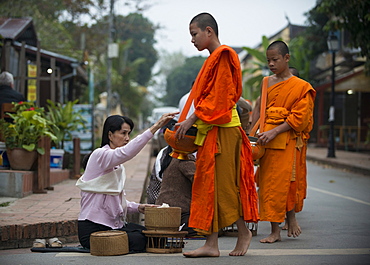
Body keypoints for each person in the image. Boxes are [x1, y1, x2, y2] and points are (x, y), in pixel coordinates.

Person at [175, 12, 259, 257]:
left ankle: (244, 232)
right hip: (211, 129)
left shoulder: (224, 55)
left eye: (194, 34)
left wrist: (190, 118)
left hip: (224, 129)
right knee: (207, 186)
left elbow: (220, 99)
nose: (192, 40)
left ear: (208, 31)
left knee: (225, 186)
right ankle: (211, 244)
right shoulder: (212, 59)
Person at [76, 111, 178, 252]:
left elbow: (117, 202)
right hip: (93, 229)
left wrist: (138, 207)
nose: (127, 138)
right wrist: (156, 127)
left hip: (113, 227)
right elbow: (127, 152)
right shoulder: (100, 155)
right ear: (110, 135)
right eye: (123, 133)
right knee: (141, 239)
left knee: (150, 234)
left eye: (129, 134)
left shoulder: (117, 165)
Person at [252, 40, 316, 243]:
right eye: (268, 60)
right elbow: (259, 111)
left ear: (286, 58)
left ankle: (288, 221)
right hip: (266, 141)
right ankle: (275, 230)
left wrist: (275, 132)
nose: (271, 64)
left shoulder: (301, 87)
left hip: (286, 141)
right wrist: (251, 134)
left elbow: (300, 118)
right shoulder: (266, 82)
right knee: (268, 185)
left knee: (285, 184)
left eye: (275, 59)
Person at [155, 152, 197, 236]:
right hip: (178, 212)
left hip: (165, 210)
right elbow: (200, 182)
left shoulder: (174, 156)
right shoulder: (185, 159)